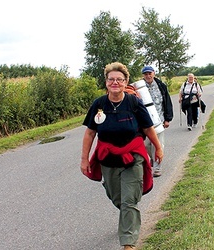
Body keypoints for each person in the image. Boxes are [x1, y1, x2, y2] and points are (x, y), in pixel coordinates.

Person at [80, 62, 163, 250]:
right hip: (108, 159)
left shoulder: (134, 103)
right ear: (106, 82)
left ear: (126, 82)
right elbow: (90, 133)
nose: (115, 82)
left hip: (132, 157)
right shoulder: (99, 104)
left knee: (129, 200)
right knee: (116, 197)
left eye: (119, 79)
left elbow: (147, 128)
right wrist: (84, 159)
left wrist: (158, 148)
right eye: (111, 79)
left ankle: (128, 243)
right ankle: (128, 216)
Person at [141, 65, 173, 177]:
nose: (148, 75)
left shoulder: (161, 86)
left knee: (158, 144)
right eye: (146, 74)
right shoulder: (139, 88)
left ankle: (157, 167)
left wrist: (167, 119)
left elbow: (167, 102)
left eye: (150, 73)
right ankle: (153, 158)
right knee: (146, 144)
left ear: (154, 73)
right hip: (145, 122)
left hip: (159, 120)